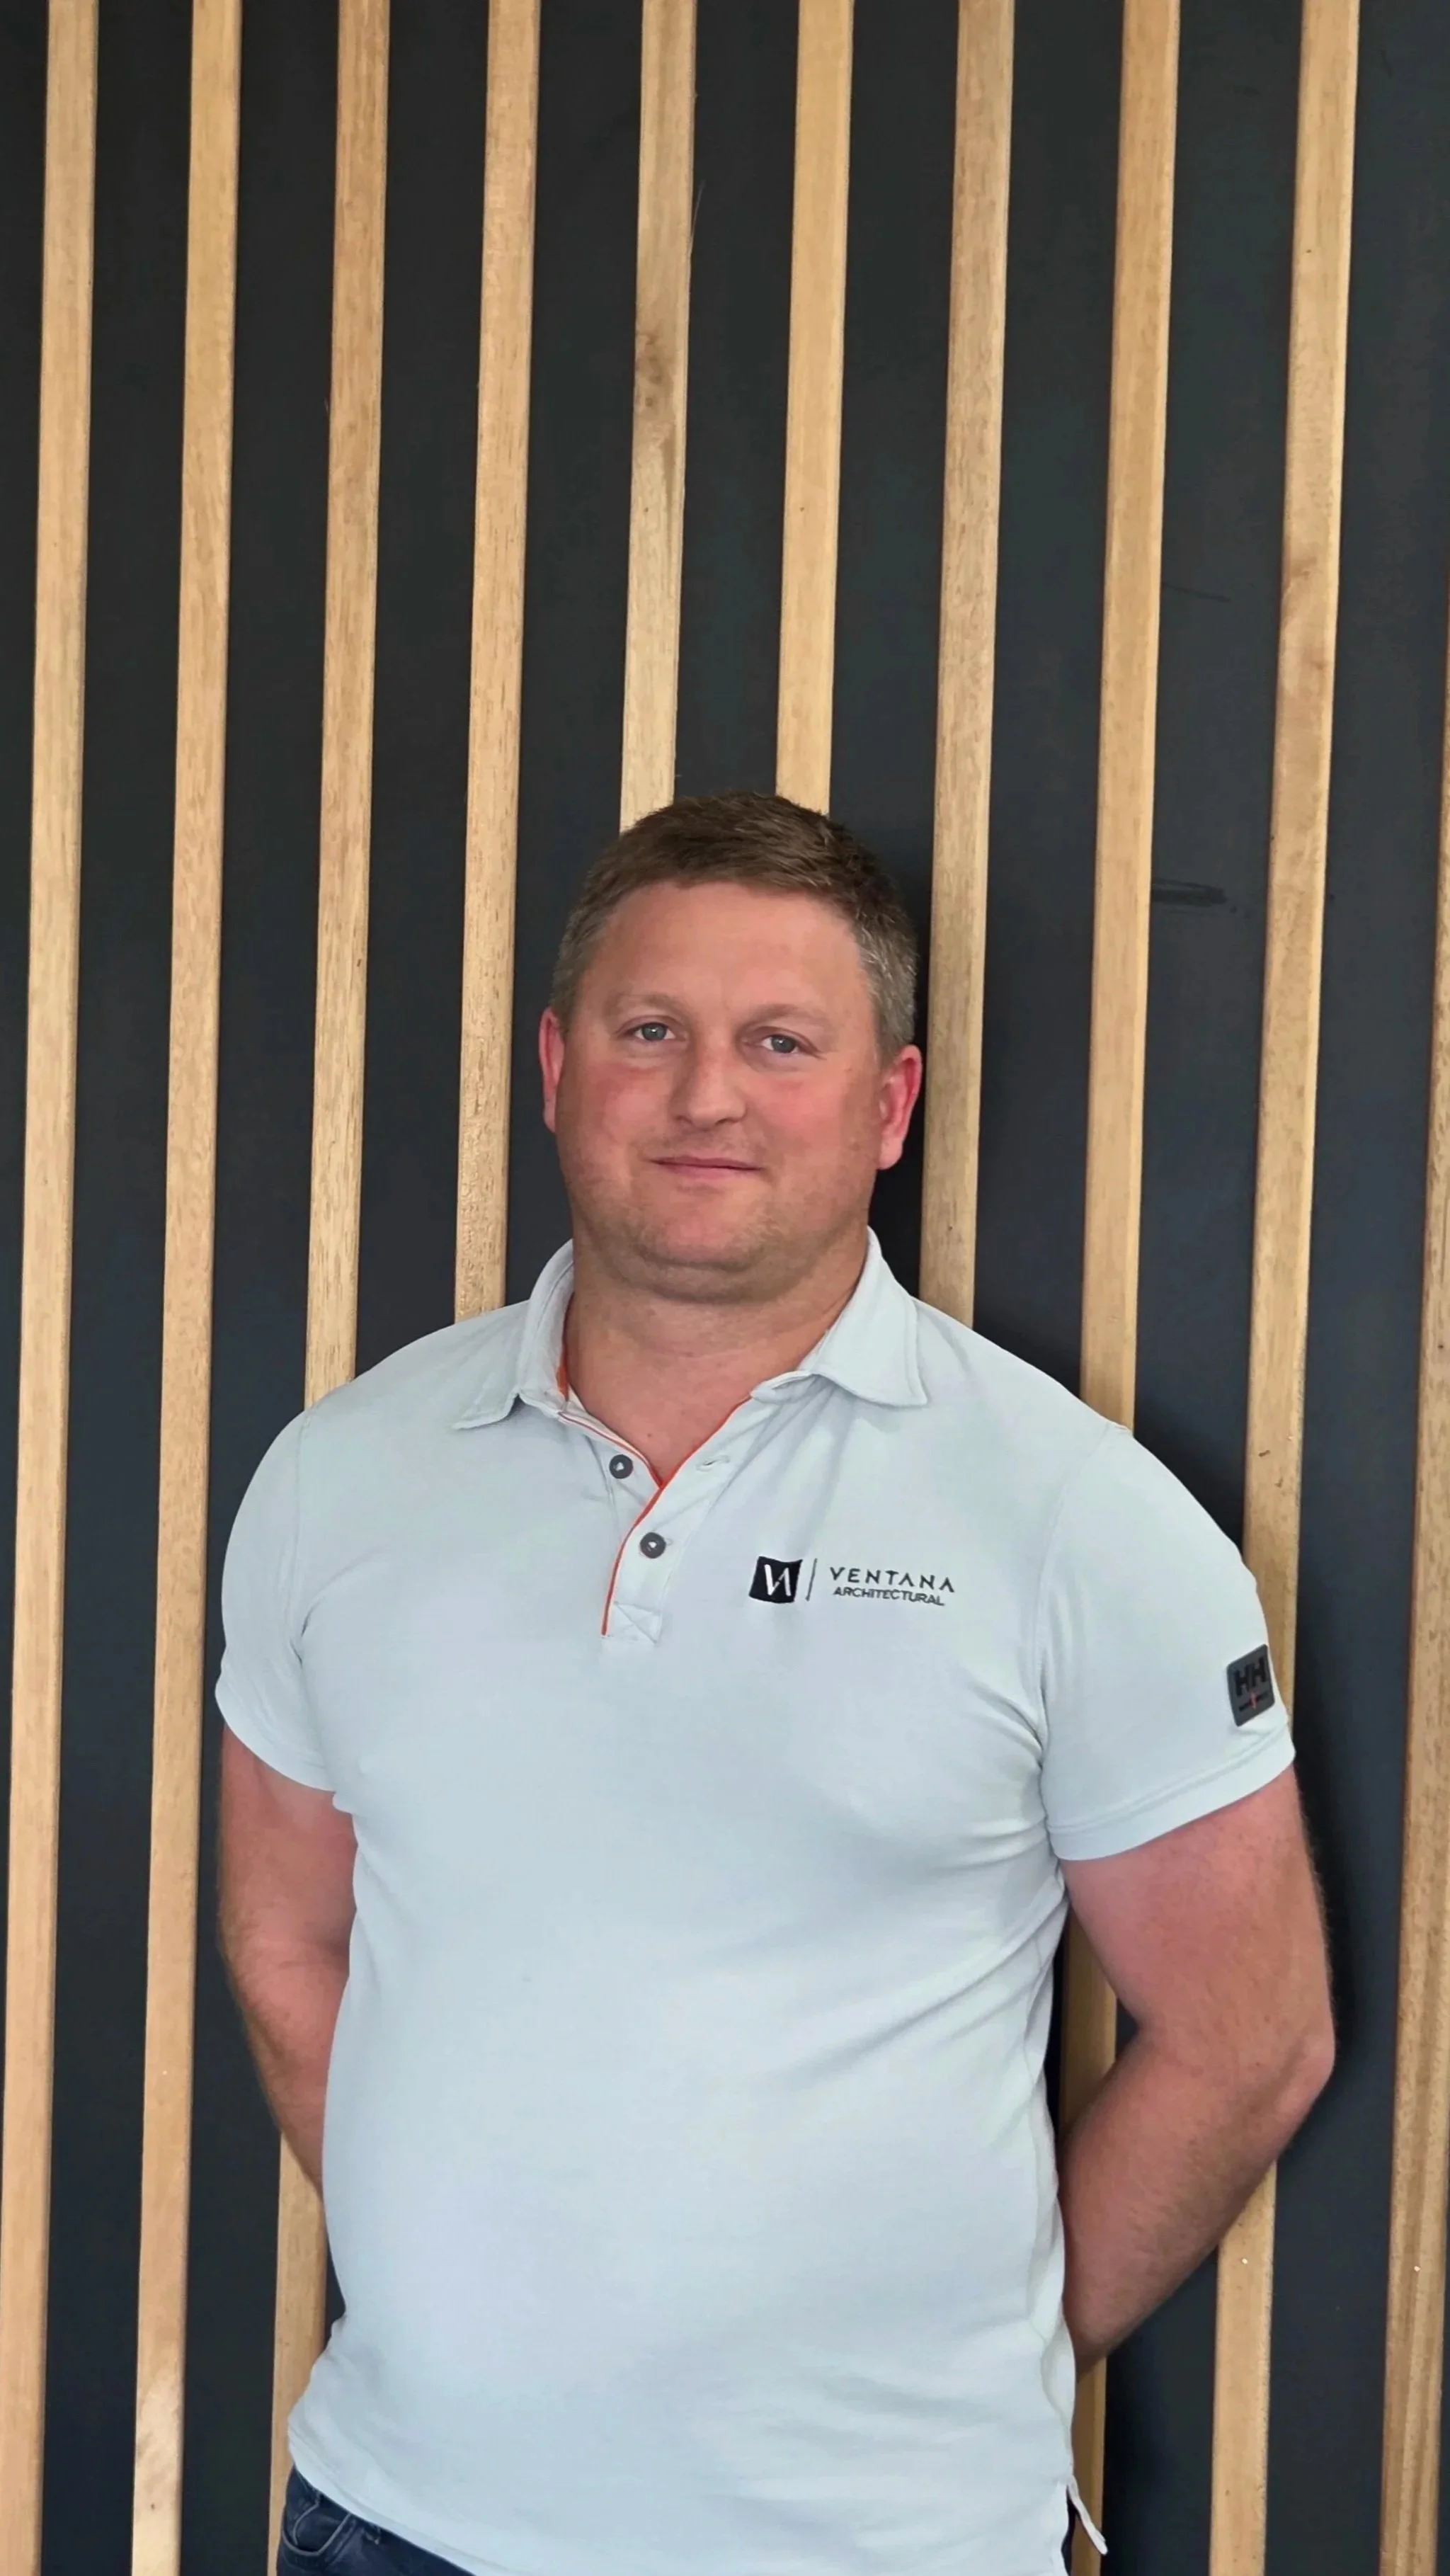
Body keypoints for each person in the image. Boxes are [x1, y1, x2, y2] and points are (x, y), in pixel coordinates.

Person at [218, 790, 1334, 2576]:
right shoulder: (338, 1478)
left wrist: (972, 2377)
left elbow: (1250, 2035)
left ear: (887, 1104)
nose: (707, 1093)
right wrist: (465, 2321)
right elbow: (289, 1944)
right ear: (558, 1064)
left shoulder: (1078, 1519)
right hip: (394, 2519)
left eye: (779, 1042)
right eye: (651, 1030)